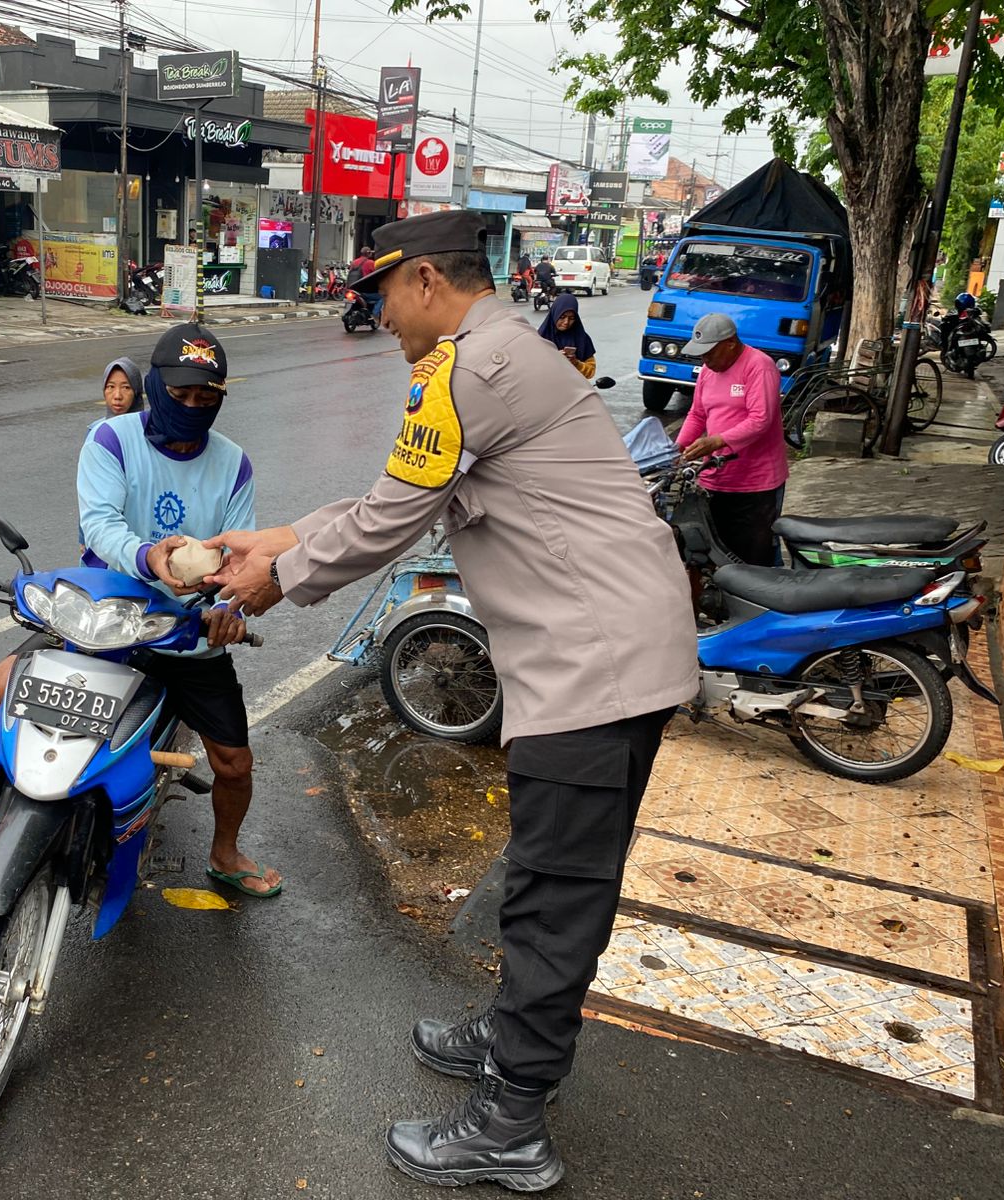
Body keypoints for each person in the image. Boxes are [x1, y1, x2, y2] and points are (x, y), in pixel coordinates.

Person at [202, 211, 697, 1191]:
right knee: (537, 873)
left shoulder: (472, 372)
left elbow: (393, 516)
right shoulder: (495, 359)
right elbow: (409, 496)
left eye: (382, 293)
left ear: (426, 279)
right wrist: (283, 536)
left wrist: (277, 576)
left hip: (593, 666)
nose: (379, 316)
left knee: (556, 896)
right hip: (595, 655)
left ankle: (511, 1121)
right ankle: (509, 1038)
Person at [0, 324, 282, 899]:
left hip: (186, 631)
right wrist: (149, 555)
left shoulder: (235, 465)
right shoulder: (111, 440)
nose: (192, 406)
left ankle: (226, 852)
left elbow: (240, 552)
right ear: (154, 385)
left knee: (233, 761)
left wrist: (230, 606)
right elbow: (100, 526)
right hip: (104, 619)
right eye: (180, 393)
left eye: (206, 397)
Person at [674, 312, 788, 566]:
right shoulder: (707, 371)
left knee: (755, 556)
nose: (705, 359)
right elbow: (697, 414)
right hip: (715, 477)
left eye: (709, 353)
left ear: (730, 343)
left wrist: (717, 441)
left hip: (756, 484)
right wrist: (675, 449)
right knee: (714, 552)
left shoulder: (759, 366)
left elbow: (761, 419)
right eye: (701, 354)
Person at [537, 292, 596, 379]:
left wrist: (576, 363)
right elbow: (530, 368)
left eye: (571, 318)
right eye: (562, 317)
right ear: (555, 314)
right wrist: (554, 358)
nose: (566, 322)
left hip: (575, 390)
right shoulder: (539, 338)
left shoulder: (582, 338)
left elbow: (591, 371)